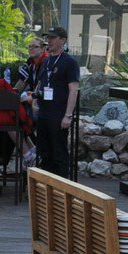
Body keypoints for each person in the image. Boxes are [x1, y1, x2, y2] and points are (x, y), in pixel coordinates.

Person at [34, 26, 81, 179]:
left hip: (58, 113)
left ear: (63, 40)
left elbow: (73, 89)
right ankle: (46, 190)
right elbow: (40, 84)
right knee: (44, 153)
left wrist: (68, 115)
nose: (49, 41)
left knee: (59, 153)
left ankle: (63, 191)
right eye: (48, 38)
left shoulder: (69, 62)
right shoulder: (46, 61)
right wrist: (34, 102)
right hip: (44, 113)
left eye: (53, 38)